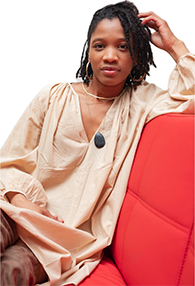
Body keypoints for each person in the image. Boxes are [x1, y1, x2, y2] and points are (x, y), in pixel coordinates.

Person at [0, 1, 194, 285]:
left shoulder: (144, 103)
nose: (110, 56)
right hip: (16, 209)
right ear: (88, 50)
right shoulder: (53, 96)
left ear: (138, 53)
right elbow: (10, 161)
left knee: (9, 272)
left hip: (62, 237)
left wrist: (174, 44)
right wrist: (23, 202)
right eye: (100, 45)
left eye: (123, 46)